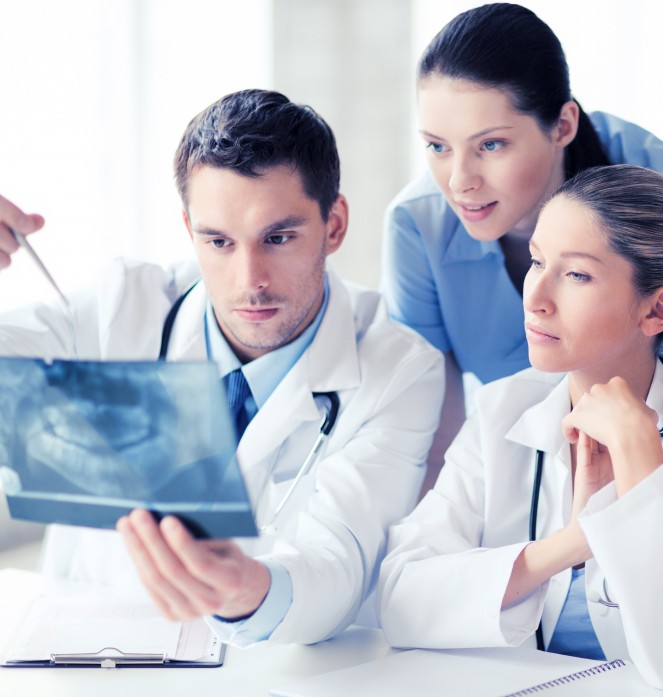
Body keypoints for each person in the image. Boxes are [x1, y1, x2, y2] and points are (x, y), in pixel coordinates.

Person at [0, 89, 444, 647]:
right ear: (189, 231)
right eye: (218, 241)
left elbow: (343, 557)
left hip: (272, 675)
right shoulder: (121, 309)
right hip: (90, 661)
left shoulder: (398, 368)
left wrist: (245, 591)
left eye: (278, 238)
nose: (248, 279)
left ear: (334, 225)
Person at [380, 165, 663, 690]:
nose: (536, 297)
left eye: (575, 275)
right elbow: (400, 601)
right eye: (537, 263)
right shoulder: (502, 410)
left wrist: (643, 470)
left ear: (658, 309)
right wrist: (573, 542)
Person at [381, 4, 663, 473]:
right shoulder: (416, 226)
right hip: (519, 467)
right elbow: (431, 423)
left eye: (490, 145)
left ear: (562, 125)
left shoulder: (659, 184)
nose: (459, 181)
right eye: (438, 146)